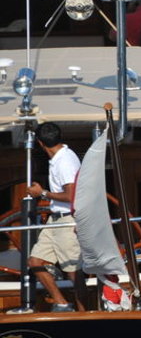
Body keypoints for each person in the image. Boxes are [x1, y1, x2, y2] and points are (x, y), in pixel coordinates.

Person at [26, 122, 87, 312]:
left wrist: (42, 193)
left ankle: (84, 316)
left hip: (68, 220)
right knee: (35, 261)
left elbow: (70, 196)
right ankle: (62, 304)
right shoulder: (60, 158)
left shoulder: (65, 161)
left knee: (73, 273)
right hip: (55, 220)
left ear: (40, 143)